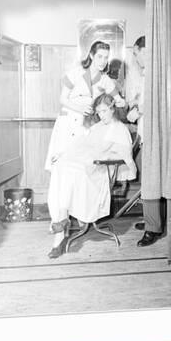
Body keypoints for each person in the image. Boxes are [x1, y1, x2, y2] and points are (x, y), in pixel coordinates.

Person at [46, 94, 136, 258]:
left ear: (112, 109)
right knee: (61, 166)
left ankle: (61, 221)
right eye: (99, 112)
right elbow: (80, 144)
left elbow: (124, 156)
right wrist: (62, 153)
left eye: (104, 111)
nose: (101, 115)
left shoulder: (120, 129)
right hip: (87, 166)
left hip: (101, 172)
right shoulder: (97, 127)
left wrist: (100, 156)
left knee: (72, 171)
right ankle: (61, 218)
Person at [44, 40, 125, 171]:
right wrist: (80, 109)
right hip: (68, 121)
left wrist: (120, 102)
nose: (103, 61)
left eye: (106, 57)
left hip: (87, 124)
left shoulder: (105, 80)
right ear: (92, 56)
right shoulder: (74, 74)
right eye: (100, 56)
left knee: (81, 163)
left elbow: (119, 99)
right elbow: (62, 99)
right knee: (63, 162)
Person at [123, 36, 164, 247]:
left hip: (154, 135)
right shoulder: (148, 74)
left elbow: (155, 103)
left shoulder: (154, 75)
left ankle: (153, 228)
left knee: (150, 183)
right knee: (149, 182)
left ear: (144, 50)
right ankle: (152, 220)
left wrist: (137, 111)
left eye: (136, 53)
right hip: (146, 134)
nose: (135, 58)